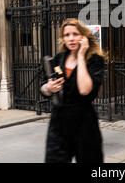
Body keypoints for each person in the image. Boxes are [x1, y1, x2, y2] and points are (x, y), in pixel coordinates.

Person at [40, 18, 107, 163]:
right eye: (67, 35)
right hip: (59, 124)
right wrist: (49, 88)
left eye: (75, 34)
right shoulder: (58, 59)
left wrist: (81, 56)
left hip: (84, 124)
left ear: (83, 36)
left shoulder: (95, 60)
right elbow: (43, 88)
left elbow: (84, 90)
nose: (71, 38)